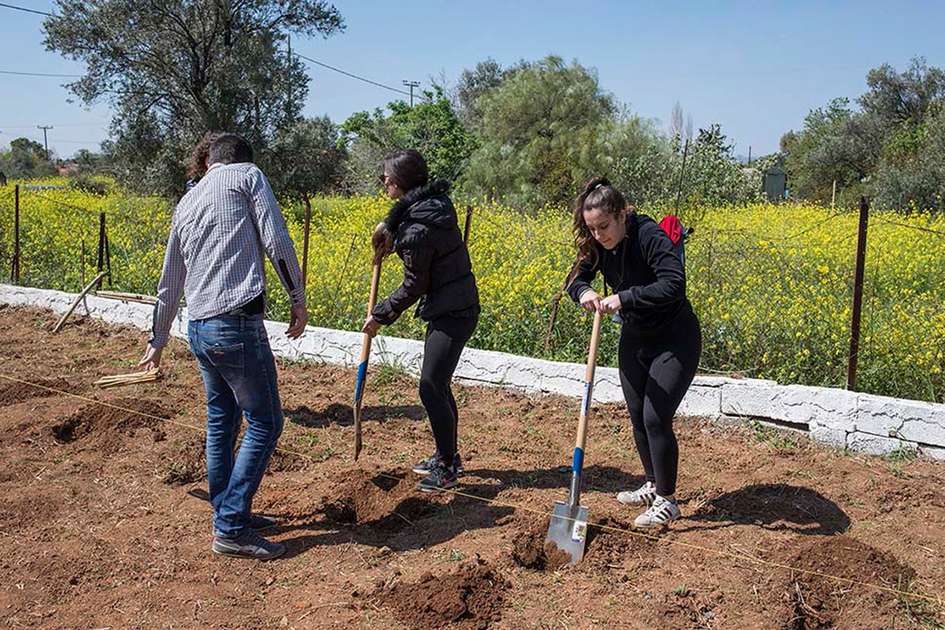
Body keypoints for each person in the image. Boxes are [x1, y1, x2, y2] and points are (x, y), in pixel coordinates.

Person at [138, 133, 308, 560]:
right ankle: (231, 526)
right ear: (240, 159)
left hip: (199, 327)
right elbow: (276, 237)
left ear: (208, 161)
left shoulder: (188, 200)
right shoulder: (246, 175)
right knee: (266, 422)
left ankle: (227, 510)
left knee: (221, 422)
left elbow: (169, 279)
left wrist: (157, 340)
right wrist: (297, 296)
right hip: (235, 323)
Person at [566, 177, 702, 529]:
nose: (599, 235)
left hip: (675, 337)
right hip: (635, 337)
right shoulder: (597, 244)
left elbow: (674, 283)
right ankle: (653, 484)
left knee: (656, 417)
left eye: (604, 227)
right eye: (592, 228)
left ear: (622, 214)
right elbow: (574, 279)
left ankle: (668, 501)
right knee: (638, 413)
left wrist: (624, 298)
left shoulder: (648, 235)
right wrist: (583, 292)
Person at [363, 149, 480, 492]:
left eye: (386, 178)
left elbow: (416, 283)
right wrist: (390, 232)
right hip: (455, 305)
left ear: (398, 182)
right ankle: (449, 455)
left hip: (453, 312)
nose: (383, 182)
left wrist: (380, 315)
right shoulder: (432, 206)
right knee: (438, 384)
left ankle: (446, 466)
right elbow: (407, 220)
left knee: (430, 386)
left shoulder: (418, 228)